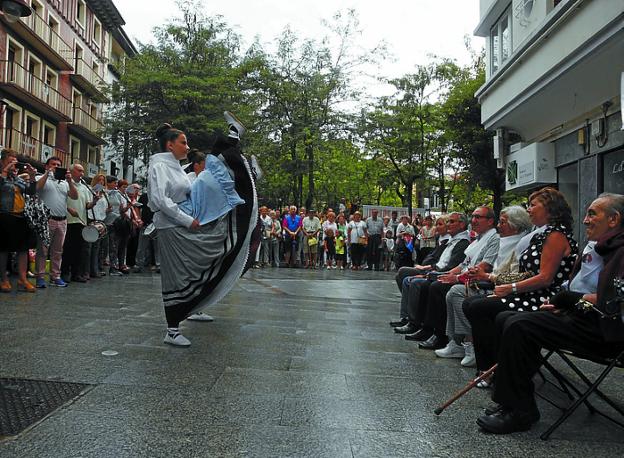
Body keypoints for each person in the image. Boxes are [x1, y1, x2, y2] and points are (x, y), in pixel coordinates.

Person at [476, 193, 624, 434]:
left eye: (592, 214)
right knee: (507, 319)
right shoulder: (597, 246)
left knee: (519, 325)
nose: (585, 220)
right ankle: (508, 398)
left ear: (614, 219)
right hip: (578, 314)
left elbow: (612, 300)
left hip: (604, 328)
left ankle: (520, 410)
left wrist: (571, 300)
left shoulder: (615, 249)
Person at [148, 114, 257, 347]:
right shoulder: (158, 167)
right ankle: (172, 329)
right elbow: (160, 200)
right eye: (183, 142)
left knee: (209, 179)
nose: (187, 147)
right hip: (173, 226)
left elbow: (191, 188)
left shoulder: (175, 167)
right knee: (179, 274)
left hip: (185, 217)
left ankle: (237, 154)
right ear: (170, 145)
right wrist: (186, 220)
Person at [464, 187, 578, 380]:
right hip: (529, 293)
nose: (529, 210)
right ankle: (494, 364)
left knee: (479, 307)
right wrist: (499, 283)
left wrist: (510, 288)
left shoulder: (556, 235)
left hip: (544, 298)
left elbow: (545, 278)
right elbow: (526, 273)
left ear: (550, 208)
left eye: (533, 205)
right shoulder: (543, 234)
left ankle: (493, 367)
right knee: (473, 304)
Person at [437, 206, 532, 367]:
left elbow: (506, 274)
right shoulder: (500, 240)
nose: (499, 226)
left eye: (502, 222)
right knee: (448, 289)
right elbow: (469, 264)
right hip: (489, 283)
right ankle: (456, 341)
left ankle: (471, 343)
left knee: (457, 292)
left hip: (504, 290)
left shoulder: (518, 245)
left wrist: (479, 276)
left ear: (515, 225)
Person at [393, 213, 471, 335]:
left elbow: (452, 265)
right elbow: (442, 261)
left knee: (415, 282)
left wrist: (428, 274)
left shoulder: (462, 242)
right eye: (447, 222)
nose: (447, 225)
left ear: (461, 224)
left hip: (444, 274)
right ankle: (409, 317)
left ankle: (419, 324)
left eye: (450, 222)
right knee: (404, 275)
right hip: (437, 271)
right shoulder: (451, 240)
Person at [35, 156, 78, 288]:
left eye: (58, 165)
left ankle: (56, 276)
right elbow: (37, 188)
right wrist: (48, 173)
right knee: (43, 250)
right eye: (53, 164)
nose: (55, 166)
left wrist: (70, 181)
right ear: (47, 166)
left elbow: (75, 196)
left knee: (58, 251)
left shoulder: (64, 183)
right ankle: (40, 277)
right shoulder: (41, 178)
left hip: (62, 220)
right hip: (47, 219)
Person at [0, 149, 37, 292]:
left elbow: (31, 191)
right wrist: (5, 171)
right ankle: (3, 279)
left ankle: (23, 279)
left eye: (14, 161)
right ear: (3, 161)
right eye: (10, 161)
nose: (13, 164)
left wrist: (32, 176)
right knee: (3, 249)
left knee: (23, 249)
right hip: (4, 215)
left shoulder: (17, 179)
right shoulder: (2, 176)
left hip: (20, 216)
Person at [61, 163, 98, 283]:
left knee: (79, 249)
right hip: (68, 221)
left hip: (80, 221)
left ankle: (76, 273)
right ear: (71, 172)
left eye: (83, 171)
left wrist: (94, 202)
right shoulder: (64, 184)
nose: (82, 173)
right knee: (67, 249)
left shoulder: (84, 187)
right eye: (79, 171)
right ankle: (64, 272)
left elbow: (87, 205)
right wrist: (67, 208)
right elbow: (60, 200)